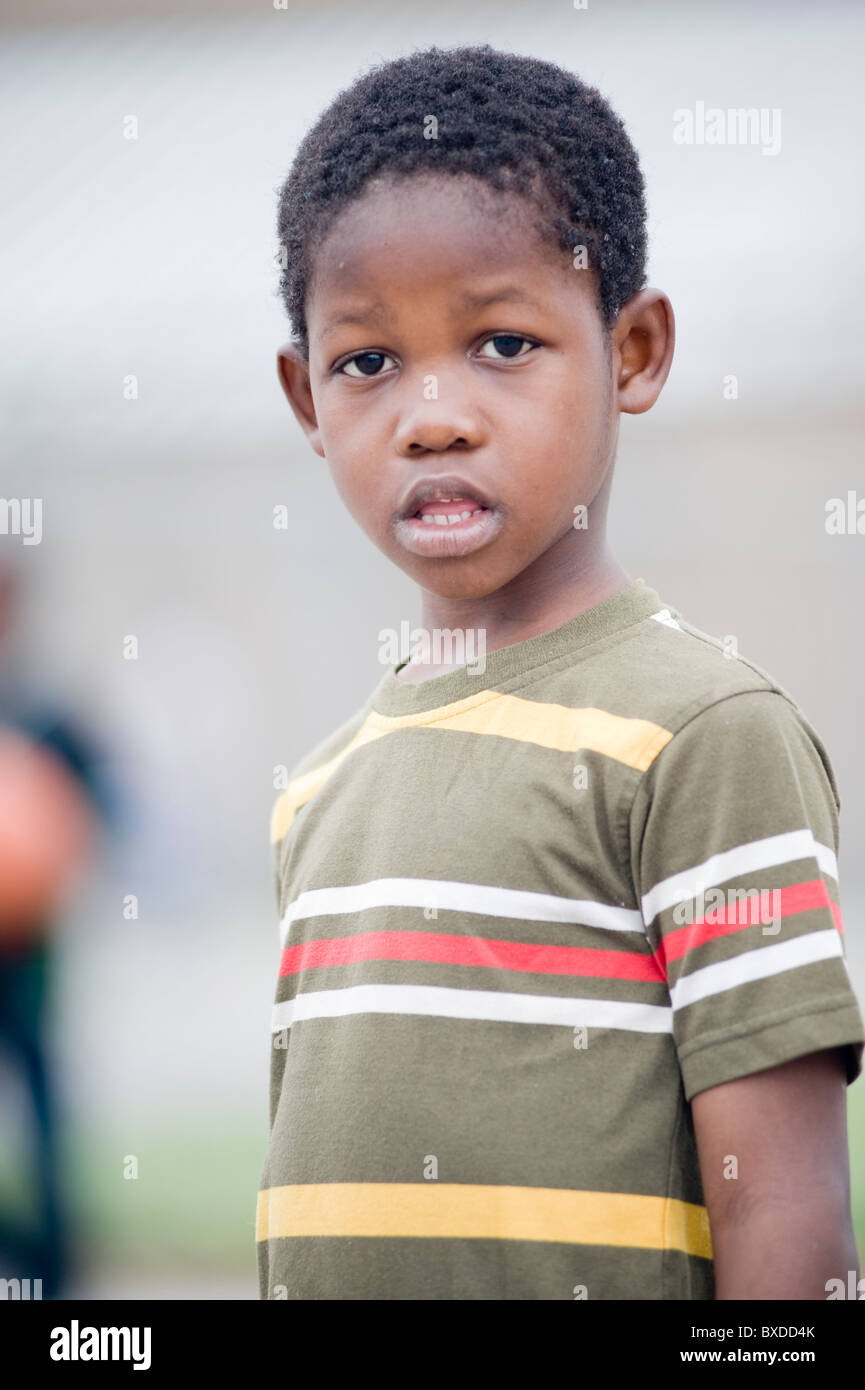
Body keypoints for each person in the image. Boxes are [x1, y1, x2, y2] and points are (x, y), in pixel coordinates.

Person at [256, 44, 864, 1300]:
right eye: (366, 362)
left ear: (633, 351)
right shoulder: (316, 787)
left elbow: (789, 1222)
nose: (432, 415)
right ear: (305, 399)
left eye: (502, 342)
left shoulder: (700, 735)